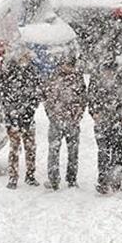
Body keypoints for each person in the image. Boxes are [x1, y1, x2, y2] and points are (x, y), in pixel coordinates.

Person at [88, 59, 122, 194]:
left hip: (119, 122)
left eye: (110, 71)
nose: (107, 74)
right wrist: (94, 113)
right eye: (105, 71)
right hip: (102, 122)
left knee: (117, 152)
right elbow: (90, 98)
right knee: (103, 152)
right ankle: (103, 182)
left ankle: (116, 182)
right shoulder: (96, 79)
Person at [0, 49, 44, 189]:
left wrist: (30, 109)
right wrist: (11, 114)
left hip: (27, 117)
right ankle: (13, 176)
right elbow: (2, 95)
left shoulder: (31, 72)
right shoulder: (9, 73)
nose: (24, 59)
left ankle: (30, 174)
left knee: (30, 148)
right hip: (13, 118)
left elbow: (37, 94)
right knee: (15, 149)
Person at [43, 54, 87, 190]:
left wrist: (78, 115)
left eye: (71, 66)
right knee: (53, 151)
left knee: (73, 152)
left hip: (73, 122)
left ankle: (72, 179)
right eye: (67, 65)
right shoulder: (53, 78)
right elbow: (46, 98)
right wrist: (52, 115)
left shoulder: (78, 79)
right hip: (56, 121)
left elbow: (83, 98)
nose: (69, 69)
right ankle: (53, 179)